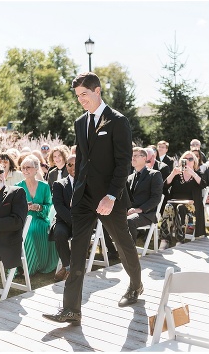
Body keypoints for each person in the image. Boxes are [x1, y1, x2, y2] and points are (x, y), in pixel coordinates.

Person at [44, 72, 142, 326]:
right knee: (77, 253)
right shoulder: (80, 123)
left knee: (122, 244)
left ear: (97, 91)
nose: (81, 100)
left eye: (84, 95)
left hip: (111, 197)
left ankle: (136, 285)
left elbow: (123, 164)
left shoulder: (118, 121)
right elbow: (84, 162)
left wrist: (111, 196)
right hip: (84, 198)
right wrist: (77, 195)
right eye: (77, 96)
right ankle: (70, 310)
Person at [16, 156, 58, 275]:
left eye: (28, 167)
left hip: (40, 218)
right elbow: (15, 208)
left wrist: (38, 207)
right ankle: (27, 267)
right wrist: (25, 208)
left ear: (36, 169)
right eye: (23, 168)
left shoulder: (44, 186)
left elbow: (49, 205)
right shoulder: (17, 186)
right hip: (24, 220)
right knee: (28, 232)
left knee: (38, 229)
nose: (25, 170)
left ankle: (41, 263)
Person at [159, 150, 206, 249]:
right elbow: (164, 186)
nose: (188, 160)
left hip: (191, 206)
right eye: (185, 159)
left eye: (190, 159)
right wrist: (172, 173)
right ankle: (165, 239)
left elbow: (203, 184)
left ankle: (180, 240)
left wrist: (193, 173)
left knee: (181, 208)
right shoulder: (177, 174)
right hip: (174, 203)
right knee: (168, 207)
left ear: (195, 162)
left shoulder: (197, 174)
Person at [126, 147, 164, 238]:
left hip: (146, 214)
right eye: (131, 156)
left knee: (129, 221)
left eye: (135, 156)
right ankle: (112, 250)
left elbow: (156, 198)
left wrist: (139, 209)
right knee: (107, 220)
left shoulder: (154, 174)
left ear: (144, 158)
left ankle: (129, 252)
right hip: (130, 212)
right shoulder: (130, 177)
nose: (132, 158)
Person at [50, 154, 76, 281]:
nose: (74, 167)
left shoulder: (88, 183)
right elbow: (59, 206)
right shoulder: (58, 184)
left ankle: (69, 268)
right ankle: (68, 266)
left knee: (82, 234)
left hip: (82, 221)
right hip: (63, 219)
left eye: (77, 164)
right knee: (59, 232)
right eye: (70, 164)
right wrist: (72, 220)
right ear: (67, 167)